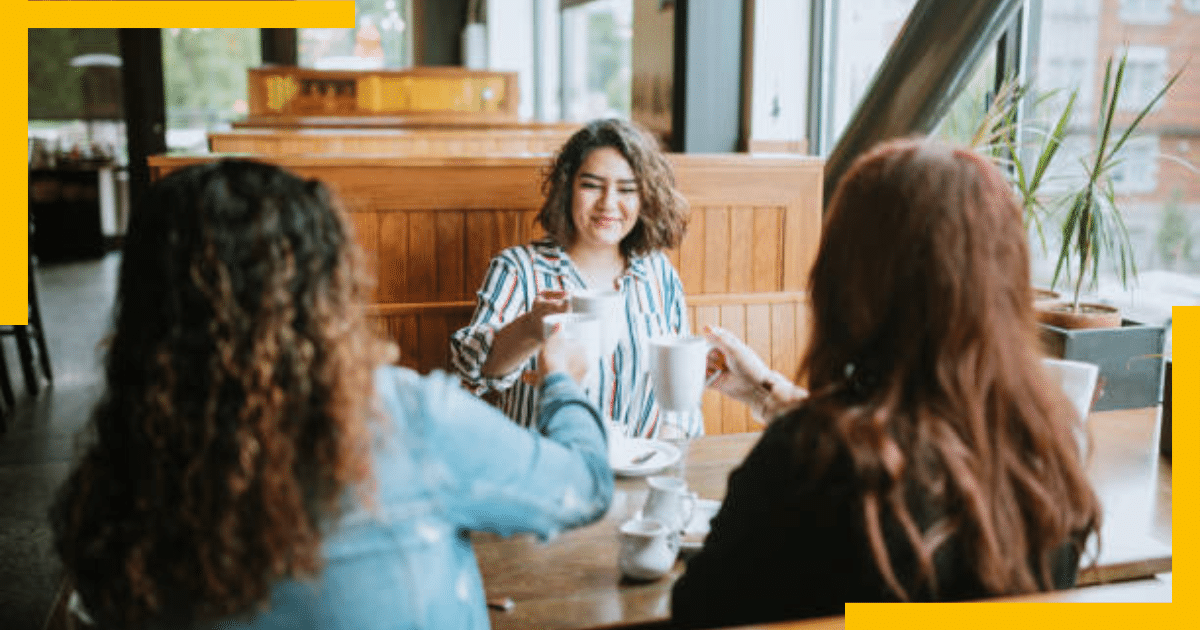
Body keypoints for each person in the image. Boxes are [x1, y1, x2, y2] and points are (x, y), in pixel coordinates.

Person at [50, 160, 613, 630]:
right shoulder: (404, 417)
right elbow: (585, 487)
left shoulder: (118, 476)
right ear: (326, 287)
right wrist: (564, 381)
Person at [671, 138, 1102, 626]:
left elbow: (698, 612)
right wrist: (765, 389)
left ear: (847, 278)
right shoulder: (1046, 449)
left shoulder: (811, 459)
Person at [450, 118, 696, 438]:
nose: (608, 203)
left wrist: (664, 452)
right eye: (591, 185)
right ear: (567, 189)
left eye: (627, 189)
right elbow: (475, 371)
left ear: (645, 199)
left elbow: (682, 393)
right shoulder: (518, 268)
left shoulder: (658, 273)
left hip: (637, 468)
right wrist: (532, 325)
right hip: (547, 470)